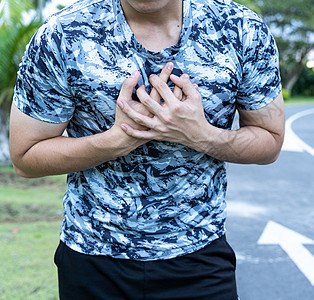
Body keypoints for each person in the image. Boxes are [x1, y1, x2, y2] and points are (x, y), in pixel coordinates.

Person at [9, 0, 285, 298]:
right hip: (93, 257)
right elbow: (25, 158)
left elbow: (269, 142)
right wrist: (116, 141)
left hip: (199, 258)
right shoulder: (62, 34)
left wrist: (200, 134)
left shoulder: (241, 28)